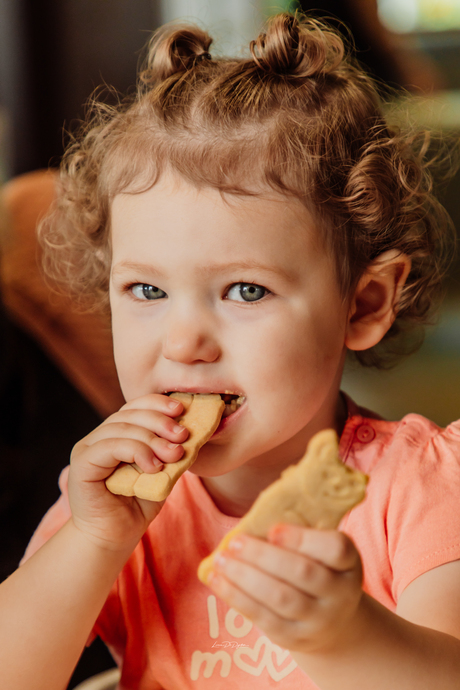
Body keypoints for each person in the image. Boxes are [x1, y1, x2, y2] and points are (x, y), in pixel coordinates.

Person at [1, 11, 460, 690]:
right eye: (147, 290)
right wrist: (93, 541)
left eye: (245, 290)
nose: (183, 342)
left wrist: (345, 638)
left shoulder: (422, 486)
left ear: (362, 305)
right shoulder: (110, 505)